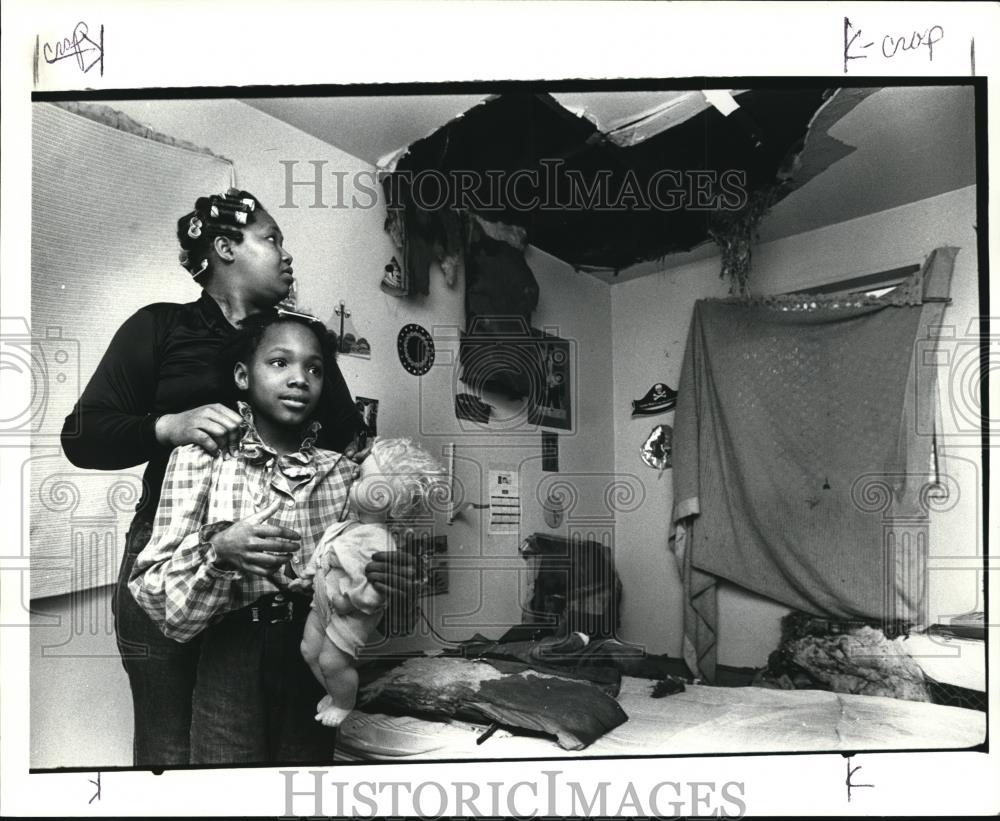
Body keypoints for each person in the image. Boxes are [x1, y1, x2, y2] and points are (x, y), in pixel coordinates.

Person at [60, 189, 417, 767]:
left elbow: (351, 460)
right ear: (225, 247)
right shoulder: (159, 328)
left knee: (277, 740)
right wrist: (170, 424)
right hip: (172, 553)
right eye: (272, 238)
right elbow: (82, 436)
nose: (286, 254)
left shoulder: (299, 346)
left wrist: (376, 545)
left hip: (282, 561)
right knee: (170, 751)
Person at [130, 310, 355, 763]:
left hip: (313, 653)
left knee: (305, 791)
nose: (299, 378)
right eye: (279, 363)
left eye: (314, 368)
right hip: (228, 650)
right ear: (241, 375)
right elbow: (158, 599)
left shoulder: (343, 473)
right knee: (224, 790)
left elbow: (357, 588)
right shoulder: (199, 459)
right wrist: (219, 549)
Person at [300, 438, 444, 728]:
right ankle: (334, 691)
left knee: (332, 662)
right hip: (323, 603)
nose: (353, 477)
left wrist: (347, 601)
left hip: (347, 615)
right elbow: (326, 551)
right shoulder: (349, 526)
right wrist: (306, 575)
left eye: (362, 475)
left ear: (380, 497)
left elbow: (374, 593)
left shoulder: (380, 542)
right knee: (308, 650)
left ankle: (343, 701)